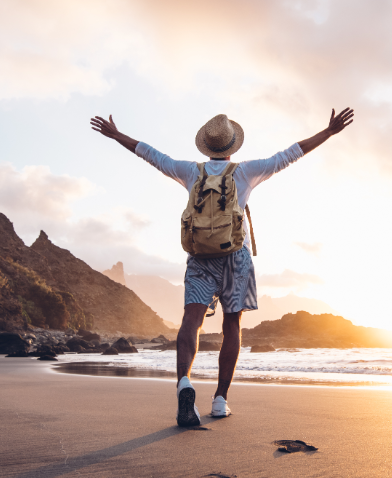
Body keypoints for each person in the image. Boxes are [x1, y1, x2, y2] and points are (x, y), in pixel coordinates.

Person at [90, 107, 354, 426]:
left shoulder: (189, 171)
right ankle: (219, 400)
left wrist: (117, 135)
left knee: (192, 319)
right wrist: (327, 132)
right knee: (232, 325)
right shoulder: (246, 172)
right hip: (235, 258)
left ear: (206, 146)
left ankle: (185, 384)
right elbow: (290, 154)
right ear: (231, 147)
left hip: (201, 257)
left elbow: (151, 154)